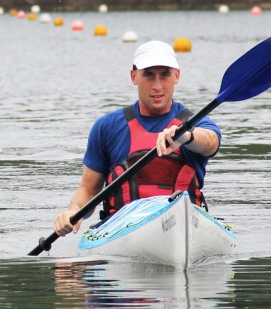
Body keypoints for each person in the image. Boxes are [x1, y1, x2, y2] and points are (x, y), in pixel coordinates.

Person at [54, 40, 222, 236]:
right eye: (149, 75)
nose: (157, 86)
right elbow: (89, 190)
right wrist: (73, 211)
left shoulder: (195, 123)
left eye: (164, 75)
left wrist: (185, 135)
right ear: (134, 76)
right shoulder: (107, 127)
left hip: (186, 228)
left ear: (177, 75)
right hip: (122, 231)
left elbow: (211, 143)